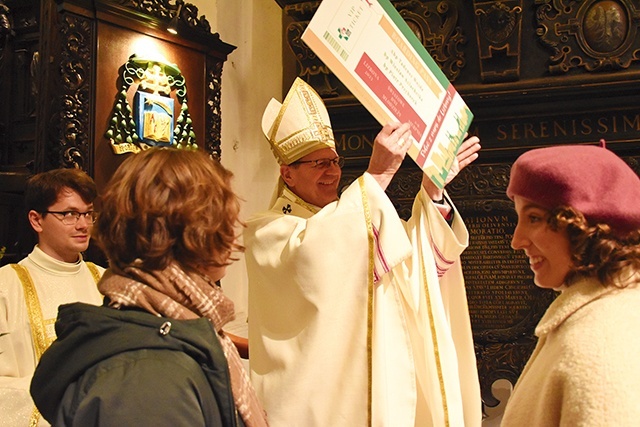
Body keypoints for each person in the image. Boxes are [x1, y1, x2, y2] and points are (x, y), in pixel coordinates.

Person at [244, 77, 482, 426]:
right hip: (317, 407)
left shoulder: (351, 218)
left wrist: (431, 192)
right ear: (288, 174)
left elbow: (411, 266)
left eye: (335, 161)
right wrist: (380, 173)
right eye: (318, 164)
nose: (333, 172)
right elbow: (316, 260)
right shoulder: (266, 230)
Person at [30, 148, 268, 427]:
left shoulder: (165, 331)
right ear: (195, 230)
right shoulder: (149, 377)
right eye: (225, 218)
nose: (233, 232)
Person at [501, 143, 640, 426]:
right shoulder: (604, 311)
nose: (517, 241)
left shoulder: (599, 345)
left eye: (534, 218)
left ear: (585, 226)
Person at [0, 168, 104, 427]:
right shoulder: (7, 285)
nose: (83, 224)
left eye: (88, 213)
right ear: (37, 220)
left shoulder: (108, 282)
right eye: (69, 214)